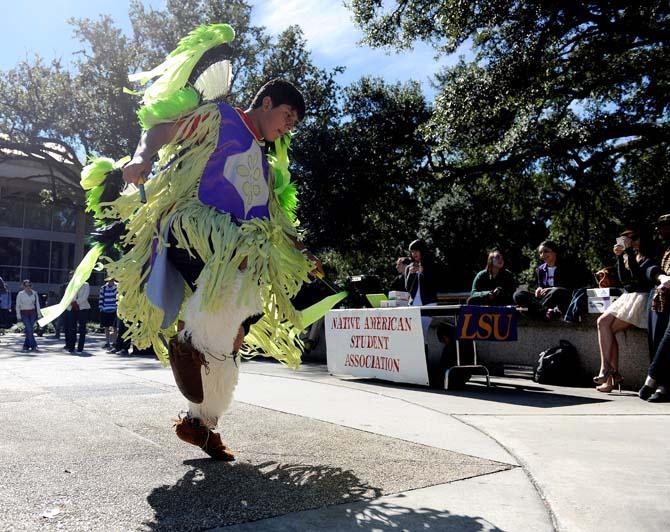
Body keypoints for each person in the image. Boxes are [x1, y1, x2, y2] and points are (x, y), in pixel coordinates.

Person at [54, 24, 331, 461]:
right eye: (287, 117)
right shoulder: (221, 118)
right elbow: (163, 127)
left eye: (294, 124)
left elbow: (272, 218)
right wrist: (143, 157)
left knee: (237, 331)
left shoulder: (263, 158)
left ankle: (200, 423)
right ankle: (187, 345)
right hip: (197, 232)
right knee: (222, 311)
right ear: (265, 103)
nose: (288, 127)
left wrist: (300, 252)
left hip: (240, 248)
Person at [594, 228, 657, 392]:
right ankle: (610, 373)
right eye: (626, 239)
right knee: (602, 322)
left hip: (641, 298)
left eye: (634, 238)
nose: (631, 241)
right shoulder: (630, 256)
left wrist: (628, 251)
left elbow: (639, 278)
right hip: (628, 296)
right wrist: (620, 257)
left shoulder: (649, 257)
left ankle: (609, 375)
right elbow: (624, 281)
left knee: (608, 328)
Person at [639, 214, 670, 402]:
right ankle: (661, 384)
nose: (660, 230)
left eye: (664, 226)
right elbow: (648, 267)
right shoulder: (661, 247)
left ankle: (655, 379)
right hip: (661, 297)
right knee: (657, 337)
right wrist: (661, 277)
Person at [513, 241, 575, 319]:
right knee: (518, 295)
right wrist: (538, 290)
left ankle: (535, 311)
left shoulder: (566, 267)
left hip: (559, 297)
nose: (542, 255)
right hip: (545, 300)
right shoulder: (540, 269)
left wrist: (552, 289)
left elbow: (569, 289)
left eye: (546, 251)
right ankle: (545, 311)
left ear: (554, 252)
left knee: (557, 291)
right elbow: (541, 286)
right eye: (540, 253)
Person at [64, 276, 90, 353]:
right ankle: (71, 347)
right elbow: (67, 295)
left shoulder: (86, 284)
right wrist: (72, 302)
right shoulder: (71, 284)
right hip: (72, 308)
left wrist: (76, 302)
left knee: (82, 329)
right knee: (72, 328)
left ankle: (80, 348)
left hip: (82, 308)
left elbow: (84, 297)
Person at [16, 279, 41, 351]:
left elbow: (37, 304)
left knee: (29, 330)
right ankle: (34, 345)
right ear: (23, 286)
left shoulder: (34, 293)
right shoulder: (20, 294)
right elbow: (17, 305)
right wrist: (18, 316)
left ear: (31, 285)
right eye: (26, 285)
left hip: (32, 313)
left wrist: (39, 314)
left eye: (29, 285)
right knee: (29, 329)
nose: (28, 287)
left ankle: (26, 345)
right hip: (24, 313)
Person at [99, 279, 118, 349]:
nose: (111, 281)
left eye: (112, 280)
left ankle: (114, 342)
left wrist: (117, 308)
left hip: (114, 310)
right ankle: (107, 342)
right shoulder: (103, 288)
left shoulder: (117, 287)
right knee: (106, 327)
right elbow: (101, 298)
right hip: (105, 310)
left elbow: (117, 298)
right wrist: (101, 308)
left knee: (115, 327)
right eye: (110, 280)